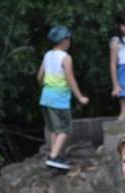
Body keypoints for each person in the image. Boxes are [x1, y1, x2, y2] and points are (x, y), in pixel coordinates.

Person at [38, 25, 89, 171]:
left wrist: (44, 88)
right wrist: (80, 97)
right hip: (59, 99)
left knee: (54, 129)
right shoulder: (66, 58)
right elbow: (70, 78)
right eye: (68, 38)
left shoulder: (47, 55)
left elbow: (39, 76)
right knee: (64, 129)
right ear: (64, 40)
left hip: (46, 97)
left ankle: (56, 155)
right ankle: (53, 157)